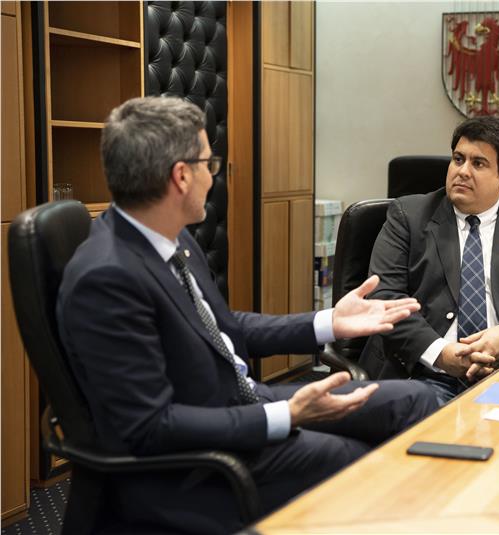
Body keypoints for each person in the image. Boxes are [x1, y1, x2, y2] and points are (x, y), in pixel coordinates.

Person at [56, 96, 438, 533]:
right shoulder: (107, 277)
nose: (212, 176)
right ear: (181, 176)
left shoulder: (169, 237)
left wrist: (329, 322)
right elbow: (150, 426)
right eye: (208, 163)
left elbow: (225, 328)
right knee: (356, 464)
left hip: (236, 399)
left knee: (415, 399)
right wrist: (289, 415)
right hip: (192, 467)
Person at [360, 116, 499, 405]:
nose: (462, 171)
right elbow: (384, 298)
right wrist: (441, 353)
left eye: (478, 163)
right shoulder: (408, 216)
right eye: (458, 159)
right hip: (423, 375)